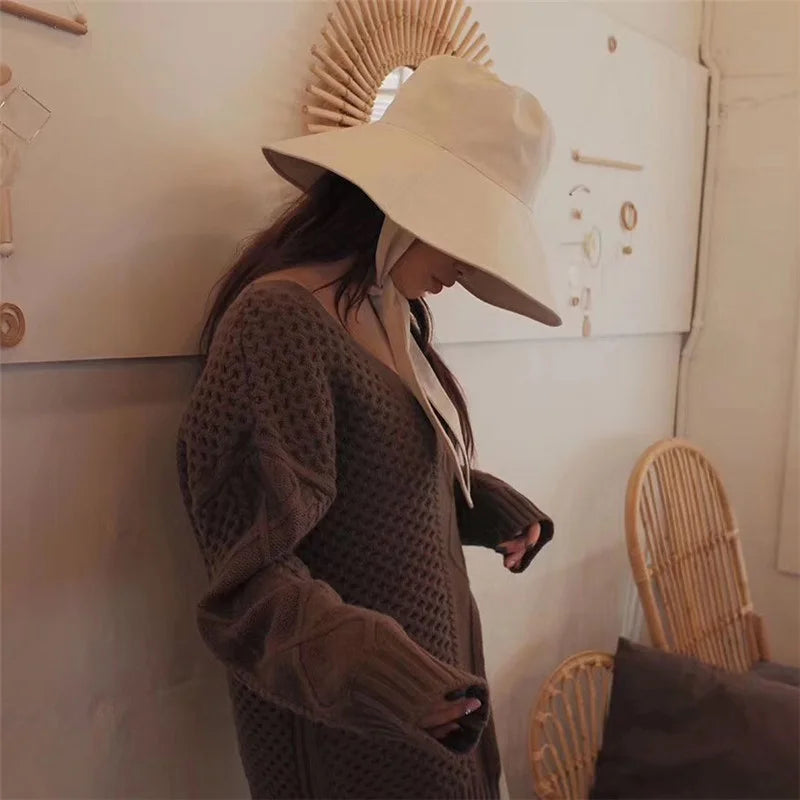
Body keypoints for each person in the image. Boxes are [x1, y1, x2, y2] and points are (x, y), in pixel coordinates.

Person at [177, 56, 560, 800]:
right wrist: (388, 674)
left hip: (426, 718)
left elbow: (366, 481)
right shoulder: (281, 323)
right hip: (350, 741)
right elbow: (248, 584)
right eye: (468, 234)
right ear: (410, 198)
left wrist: (482, 507)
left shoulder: (390, 307)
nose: (467, 269)